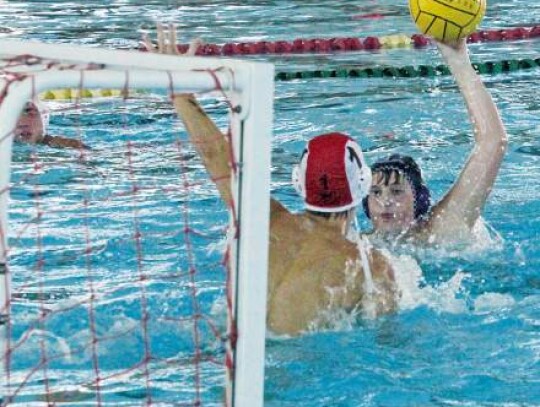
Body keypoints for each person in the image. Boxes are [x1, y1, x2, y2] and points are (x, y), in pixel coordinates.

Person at [143, 25, 398, 335]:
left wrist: (181, 95)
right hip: (292, 368)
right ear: (361, 187)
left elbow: (215, 157)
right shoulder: (370, 267)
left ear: (299, 182)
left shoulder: (264, 218)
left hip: (225, 344)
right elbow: (389, 341)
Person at [363, 39, 507, 246]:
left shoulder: (440, 229)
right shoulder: (354, 246)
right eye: (375, 193)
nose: (385, 202)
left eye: (396, 191)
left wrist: (458, 59)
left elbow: (493, 142)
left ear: (418, 200)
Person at [14, 100, 88, 149]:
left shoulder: (70, 146)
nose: (21, 123)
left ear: (45, 118)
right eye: (13, 115)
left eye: (30, 113)